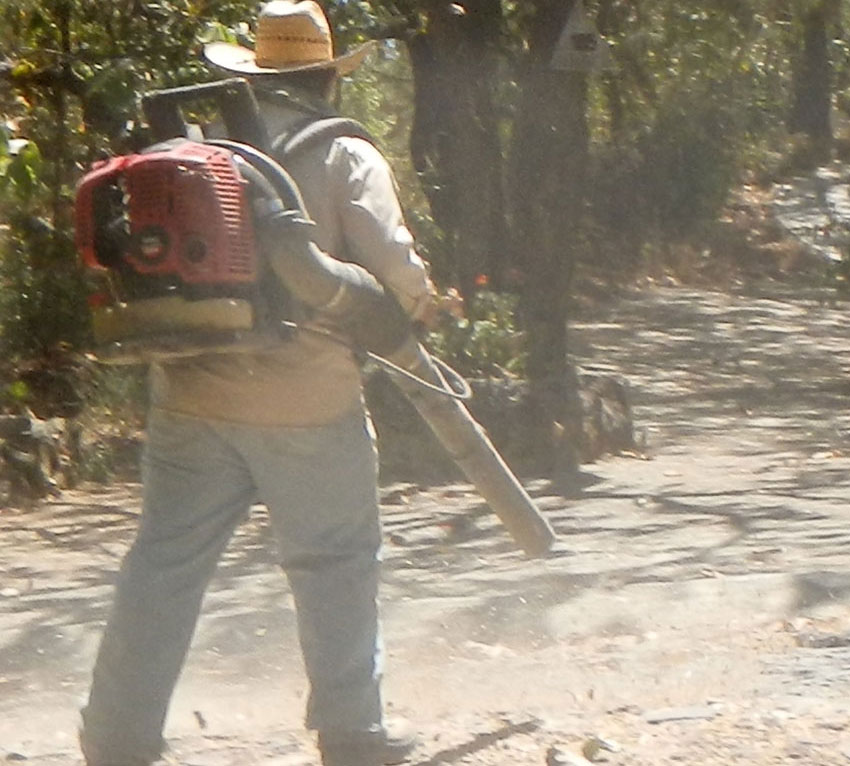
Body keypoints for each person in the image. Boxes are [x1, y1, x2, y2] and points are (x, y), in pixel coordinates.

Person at [78, 3, 435, 765]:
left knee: (163, 565)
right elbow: (397, 278)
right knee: (334, 560)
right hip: (306, 402)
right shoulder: (343, 157)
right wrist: (416, 304)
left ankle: (115, 736)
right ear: (327, 77)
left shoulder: (202, 146)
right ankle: (352, 735)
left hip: (189, 393)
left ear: (251, 69)